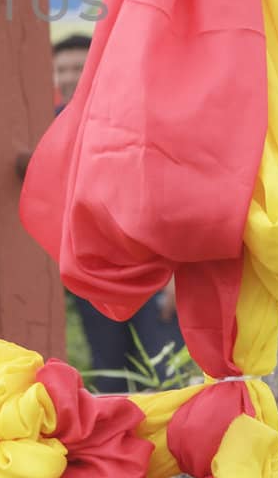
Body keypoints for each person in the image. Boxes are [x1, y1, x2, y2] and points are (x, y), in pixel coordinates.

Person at [53, 28, 184, 394]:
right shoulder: (52, 125)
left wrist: (176, 274)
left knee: (167, 375)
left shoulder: (131, 120)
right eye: (60, 69)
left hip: (148, 271)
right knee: (110, 379)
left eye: (77, 68)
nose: (67, 77)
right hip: (92, 276)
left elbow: (166, 196)